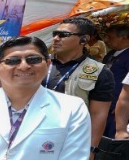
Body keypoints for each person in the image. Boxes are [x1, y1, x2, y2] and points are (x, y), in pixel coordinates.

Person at [45, 19, 115, 148]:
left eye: (63, 35)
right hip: (34, 134)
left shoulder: (100, 72)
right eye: (55, 34)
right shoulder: (37, 64)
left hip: (72, 141)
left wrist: (91, 149)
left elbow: (98, 114)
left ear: (83, 39)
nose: (55, 38)